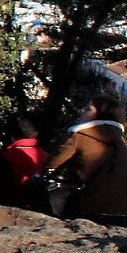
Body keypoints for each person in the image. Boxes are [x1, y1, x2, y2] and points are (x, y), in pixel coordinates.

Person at [43, 96, 127, 225]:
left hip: (88, 208)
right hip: (121, 213)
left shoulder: (81, 136)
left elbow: (51, 166)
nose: (82, 111)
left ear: (100, 114)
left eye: (88, 109)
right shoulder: (122, 143)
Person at [0, 116, 46, 210]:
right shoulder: (47, 157)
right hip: (36, 208)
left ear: (11, 137)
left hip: (6, 208)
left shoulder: (8, 157)